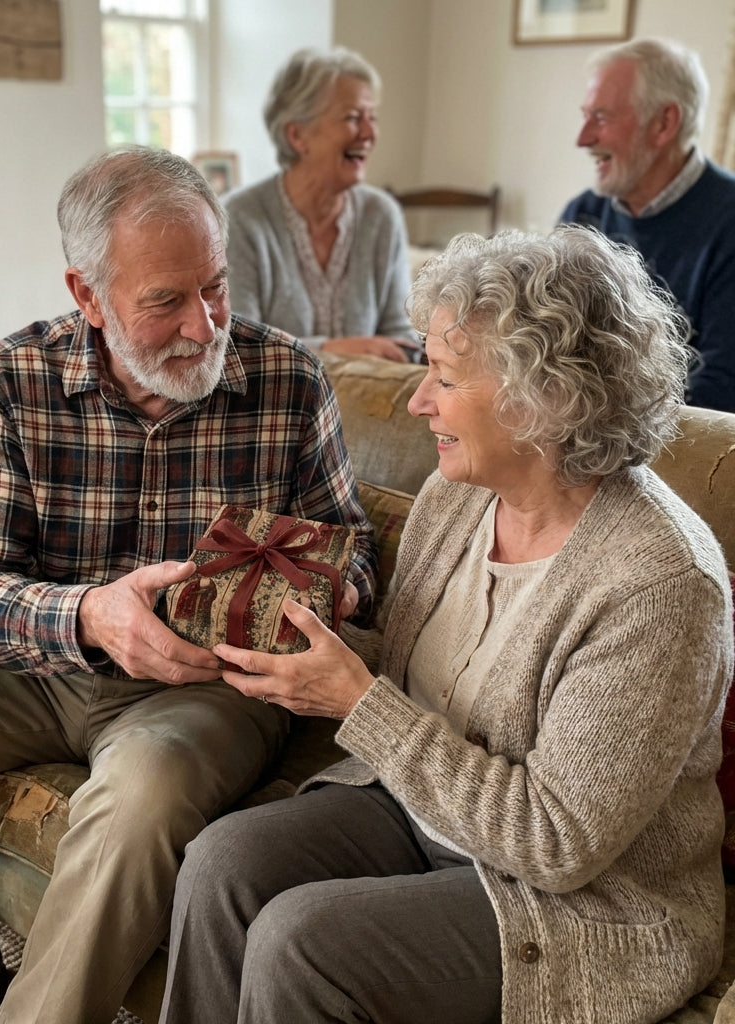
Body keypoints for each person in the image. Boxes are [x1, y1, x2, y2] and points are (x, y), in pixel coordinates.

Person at [0, 145, 378, 1024]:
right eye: (165, 302)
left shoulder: (288, 379)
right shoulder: (14, 381)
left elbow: (351, 543)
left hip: (204, 687)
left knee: (140, 801)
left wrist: (335, 587)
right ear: (88, 296)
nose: (205, 327)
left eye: (214, 285)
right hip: (39, 663)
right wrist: (91, 613)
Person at [157, 226, 734, 1024]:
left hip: (580, 900)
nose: (416, 399)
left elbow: (556, 842)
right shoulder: (458, 496)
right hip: (424, 813)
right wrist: (284, 638)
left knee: (302, 944)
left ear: (544, 397)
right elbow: (409, 675)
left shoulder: (661, 583)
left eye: (444, 377)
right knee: (223, 861)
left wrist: (357, 701)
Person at [559, 36, 735, 414]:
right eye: (585, 115)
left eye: (601, 118)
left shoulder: (728, 221)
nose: (583, 138)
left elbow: (719, 390)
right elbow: (541, 349)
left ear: (664, 123)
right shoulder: (582, 216)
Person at [223, 46, 418, 363]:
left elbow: (402, 340)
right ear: (298, 136)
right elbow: (238, 348)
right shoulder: (240, 219)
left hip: (373, 405)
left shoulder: (381, 215)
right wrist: (329, 350)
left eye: (372, 117)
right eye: (353, 118)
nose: (370, 133)